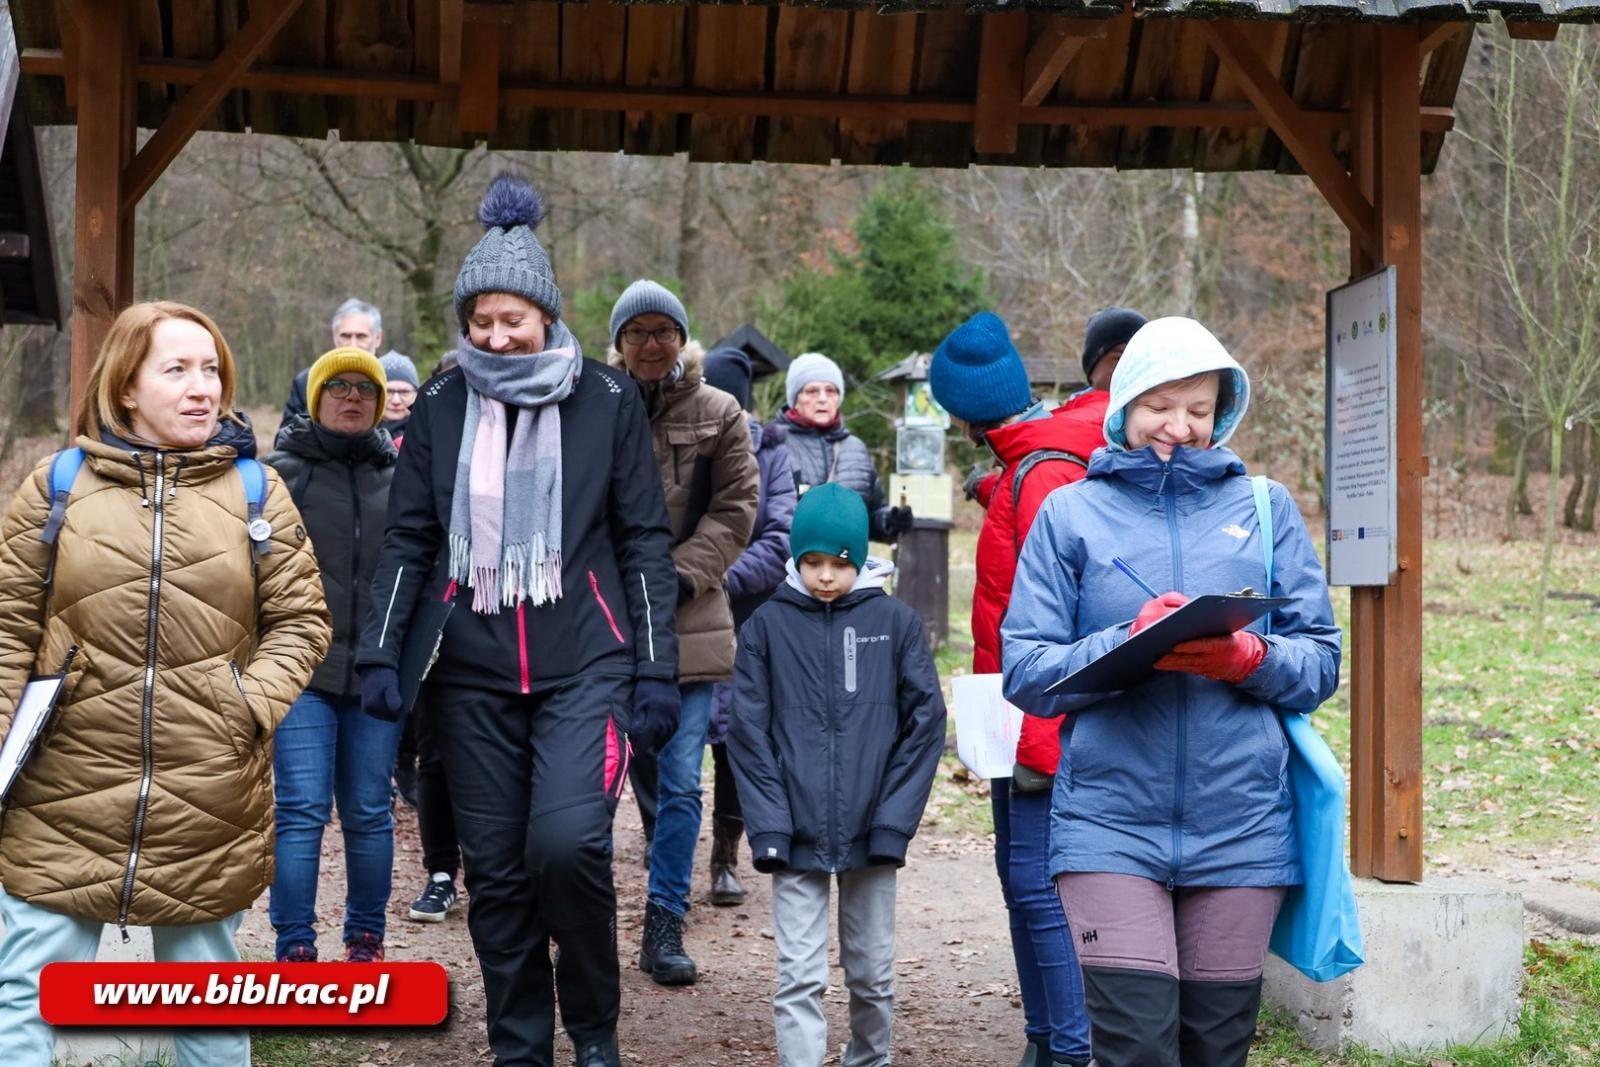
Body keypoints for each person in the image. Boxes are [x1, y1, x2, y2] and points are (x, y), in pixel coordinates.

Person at [355, 174, 680, 1067]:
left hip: (586, 661)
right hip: (470, 672)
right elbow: (410, 539)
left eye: (513, 319)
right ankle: (520, 1046)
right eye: (480, 322)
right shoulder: (440, 406)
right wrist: (382, 654)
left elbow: (645, 539)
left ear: (545, 313)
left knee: (567, 845)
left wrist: (656, 669)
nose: (497, 337)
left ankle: (596, 1030)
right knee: (495, 874)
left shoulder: (607, 401)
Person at [1001, 317, 1341, 1067]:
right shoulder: (1071, 514)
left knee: (1216, 1051)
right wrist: (1130, 639)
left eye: (1199, 408)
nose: (1179, 427)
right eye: (1161, 404)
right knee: (1137, 1050)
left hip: (1242, 830)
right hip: (1108, 827)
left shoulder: (1264, 508)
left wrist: (1247, 655)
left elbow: (1321, 660)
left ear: (1223, 412)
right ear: (1124, 405)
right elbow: (1025, 667)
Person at [0, 301, 330, 1065]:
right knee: (27, 996)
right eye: (176, 369)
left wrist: (241, 708)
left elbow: (304, 621)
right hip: (64, 792)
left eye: (211, 368)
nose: (201, 386)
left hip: (207, 794)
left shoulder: (256, 491)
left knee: (207, 1011)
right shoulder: (56, 487)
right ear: (125, 387)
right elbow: (9, 628)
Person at [727, 482, 946, 1067]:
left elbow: (925, 726)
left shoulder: (896, 624)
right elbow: (747, 734)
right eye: (813, 562)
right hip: (793, 832)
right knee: (797, 976)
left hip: (871, 829)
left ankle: (869, 1058)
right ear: (796, 560)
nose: (826, 576)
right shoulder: (765, 628)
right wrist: (770, 826)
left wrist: (891, 825)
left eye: (839, 563)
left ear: (860, 558)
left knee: (871, 974)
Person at [927, 311, 1096, 1067]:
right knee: (1014, 876)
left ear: (963, 408)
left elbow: (1057, 608)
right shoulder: (1025, 466)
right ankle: (1041, 1037)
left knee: (1036, 885)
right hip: (1010, 706)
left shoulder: (1043, 472)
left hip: (1038, 716)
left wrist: (1035, 742)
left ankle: (1069, 1048)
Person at [607, 280, 759, 985]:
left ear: (681, 338)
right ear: (618, 341)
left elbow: (736, 510)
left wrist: (675, 574)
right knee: (598, 779)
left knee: (681, 783)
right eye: (635, 332)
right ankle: (581, 917)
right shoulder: (591, 406)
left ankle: (664, 920)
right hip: (602, 624)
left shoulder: (720, 412)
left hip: (690, 621)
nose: (649, 344)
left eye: (662, 330)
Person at [265, 346, 400, 963]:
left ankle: (365, 939)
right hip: (301, 672)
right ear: (316, 397)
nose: (353, 397)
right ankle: (294, 945)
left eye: (365, 390)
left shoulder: (403, 480)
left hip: (377, 673)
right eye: (339, 387)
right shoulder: (278, 475)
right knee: (301, 811)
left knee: (371, 812)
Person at [701, 345, 796, 908]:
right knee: (669, 736)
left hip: (746, 613)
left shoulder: (772, 452)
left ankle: (724, 855)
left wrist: (721, 578)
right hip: (679, 610)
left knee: (736, 736)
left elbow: (780, 533)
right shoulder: (681, 441)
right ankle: (666, 840)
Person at [777, 352, 912, 542]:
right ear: (795, 399)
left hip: (844, 566)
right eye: (812, 391)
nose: (823, 398)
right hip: (788, 566)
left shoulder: (855, 449)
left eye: (830, 391)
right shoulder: (774, 445)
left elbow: (872, 515)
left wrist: (890, 521)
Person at [280, 297, 384, 427]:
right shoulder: (308, 380)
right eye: (345, 336)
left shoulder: (397, 384)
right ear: (334, 336)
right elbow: (286, 437)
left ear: (378, 338)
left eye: (361, 336)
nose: (353, 344)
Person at [380, 351, 421, 441]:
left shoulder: (429, 435)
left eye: (404, 392)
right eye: (388, 392)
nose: (396, 401)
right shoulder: (357, 434)